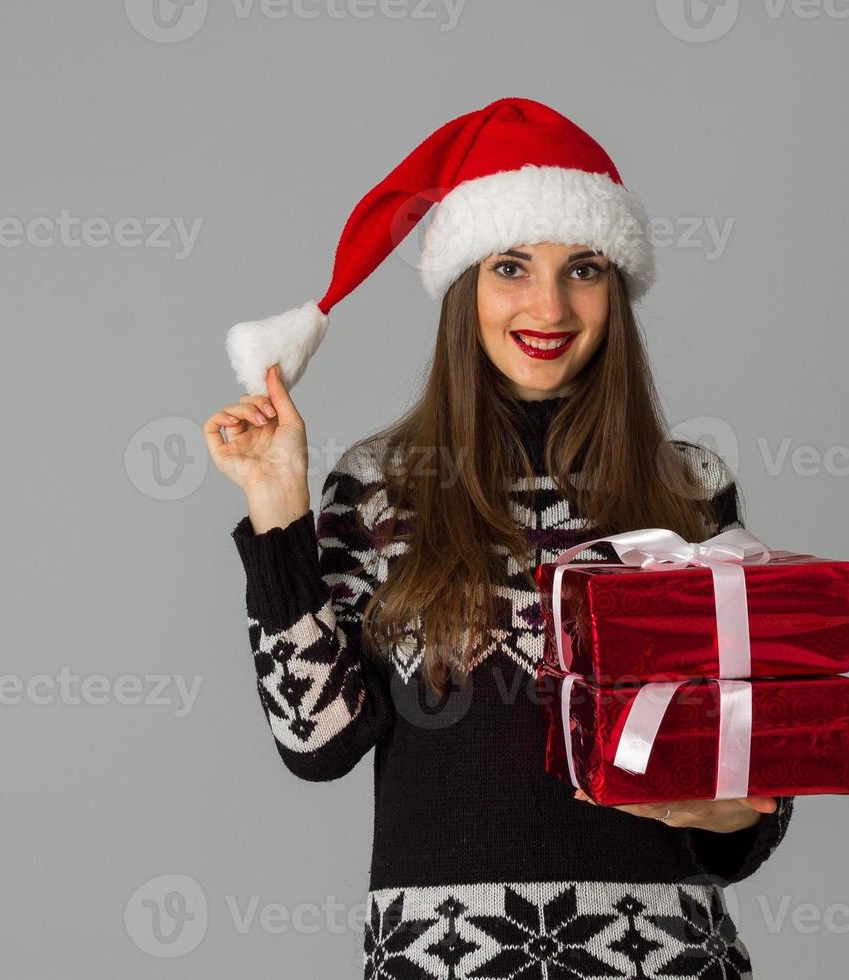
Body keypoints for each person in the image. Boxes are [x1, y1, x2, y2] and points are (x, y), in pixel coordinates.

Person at [203, 98, 793, 979]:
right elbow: (317, 741)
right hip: (438, 962)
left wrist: (736, 812)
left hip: (667, 959)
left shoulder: (691, 487)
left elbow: (750, 796)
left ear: (616, 290)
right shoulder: (378, 488)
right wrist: (276, 499)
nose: (548, 304)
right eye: (512, 266)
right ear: (463, 286)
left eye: (583, 269)